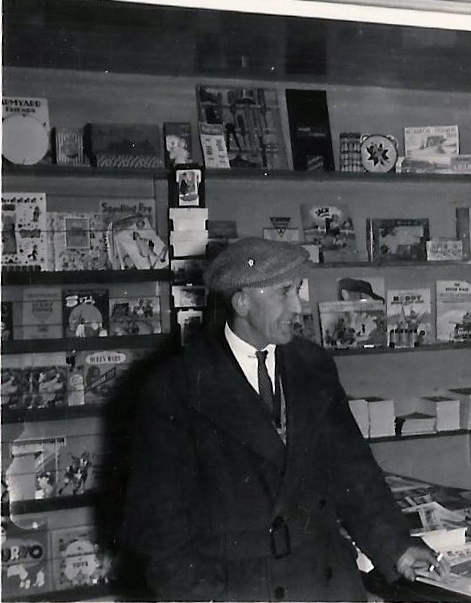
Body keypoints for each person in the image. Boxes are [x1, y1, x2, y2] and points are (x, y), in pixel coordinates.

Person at [121, 237, 444, 601]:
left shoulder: (313, 365)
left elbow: (353, 471)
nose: (298, 305)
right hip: (238, 590)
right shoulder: (176, 386)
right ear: (242, 302)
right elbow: (160, 524)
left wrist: (396, 546)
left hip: (325, 582)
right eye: (284, 292)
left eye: (298, 289)